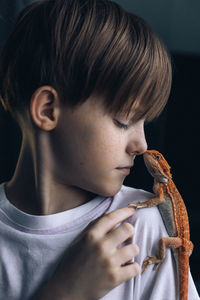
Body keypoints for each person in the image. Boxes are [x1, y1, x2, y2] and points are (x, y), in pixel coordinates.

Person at [0, 0, 199, 299]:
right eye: (123, 121)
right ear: (48, 109)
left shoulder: (138, 224)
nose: (142, 145)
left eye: (144, 123)